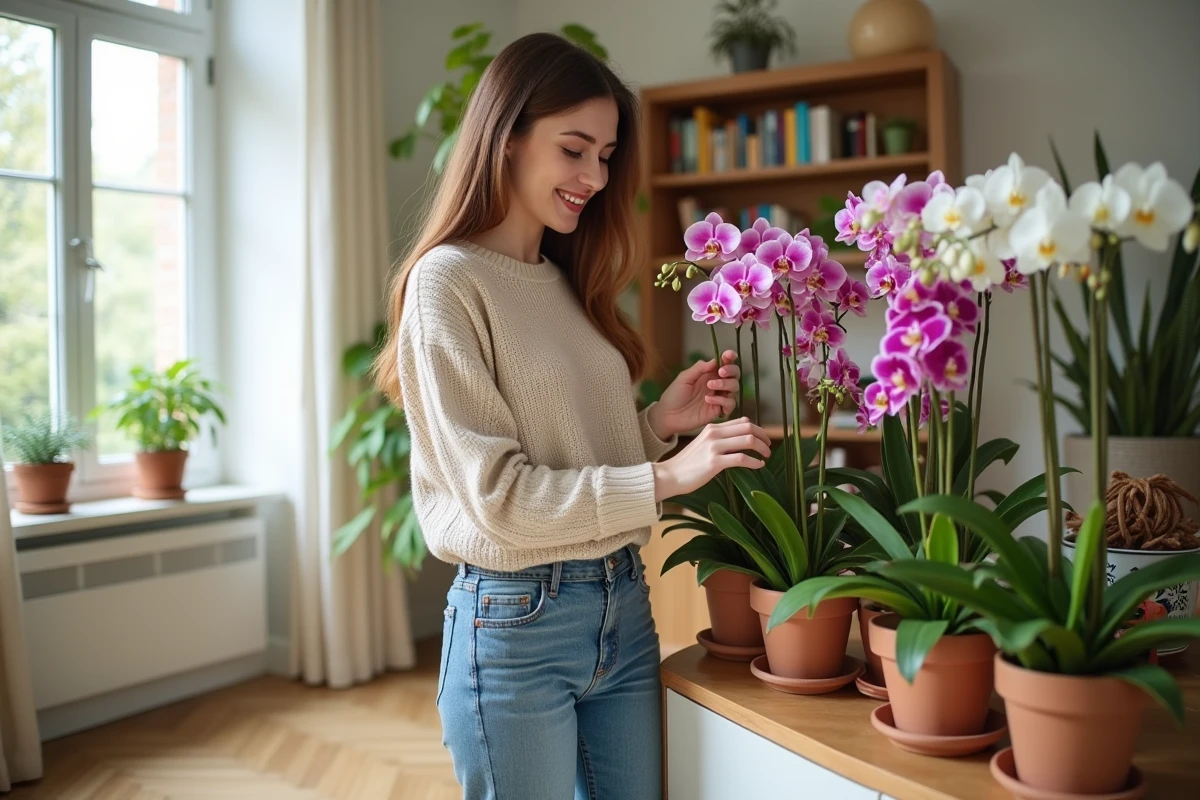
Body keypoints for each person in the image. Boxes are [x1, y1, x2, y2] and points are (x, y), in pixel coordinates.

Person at [373, 32, 772, 800]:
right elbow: (503, 498)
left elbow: (567, 449)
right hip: (515, 623)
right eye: (575, 149)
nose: (594, 175)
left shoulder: (563, 278)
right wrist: (665, 474)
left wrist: (657, 422)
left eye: (607, 154)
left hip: (622, 605)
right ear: (508, 137)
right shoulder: (446, 284)